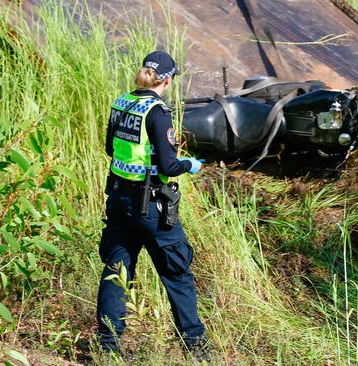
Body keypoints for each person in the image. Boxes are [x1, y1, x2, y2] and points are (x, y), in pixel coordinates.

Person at [97, 50, 210, 362]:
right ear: (168, 79)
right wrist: (189, 164)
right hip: (150, 204)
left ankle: (107, 346)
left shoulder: (122, 102)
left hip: (119, 200)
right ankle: (196, 347)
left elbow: (110, 148)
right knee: (176, 271)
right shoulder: (157, 111)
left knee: (116, 270)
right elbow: (169, 166)